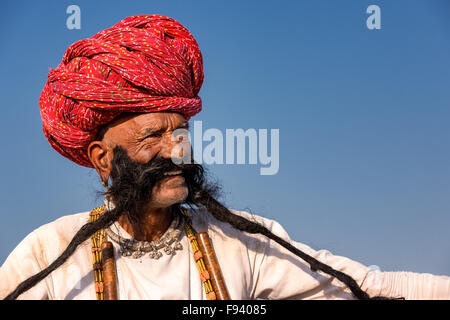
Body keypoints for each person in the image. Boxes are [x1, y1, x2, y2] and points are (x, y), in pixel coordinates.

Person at [0, 15, 448, 300]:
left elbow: (367, 288)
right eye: (154, 136)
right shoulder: (47, 254)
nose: (178, 150)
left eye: (182, 132)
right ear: (102, 158)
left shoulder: (241, 242)